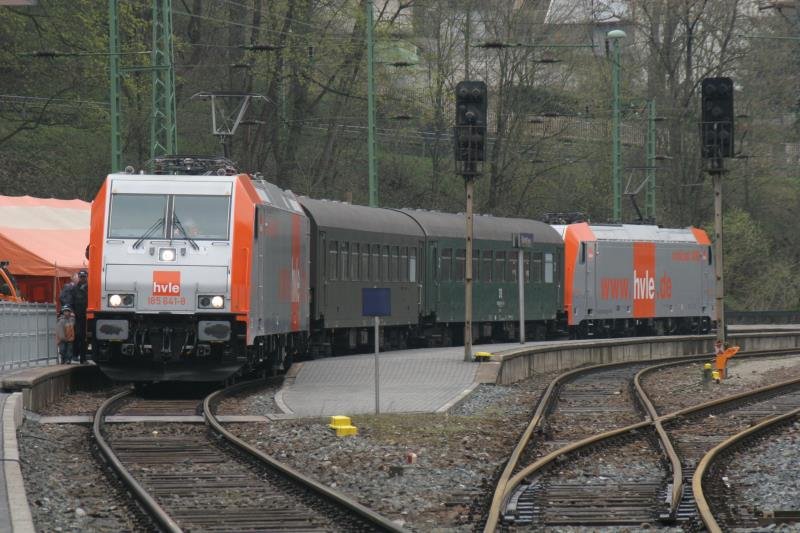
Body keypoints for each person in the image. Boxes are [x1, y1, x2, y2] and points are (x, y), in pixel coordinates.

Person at [71, 269, 89, 363]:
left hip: (87, 316)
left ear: (87, 277)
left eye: (84, 277)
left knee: (84, 338)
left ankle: (83, 358)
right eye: (81, 277)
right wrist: (72, 312)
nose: (82, 279)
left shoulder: (90, 288)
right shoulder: (74, 289)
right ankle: (75, 355)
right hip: (77, 316)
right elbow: (71, 301)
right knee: (77, 336)